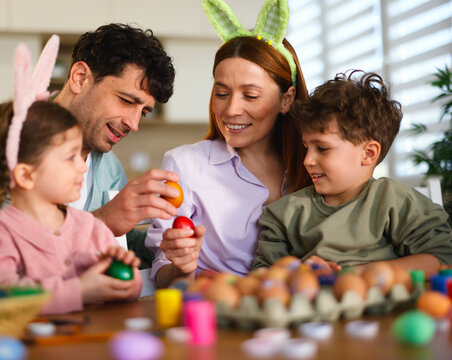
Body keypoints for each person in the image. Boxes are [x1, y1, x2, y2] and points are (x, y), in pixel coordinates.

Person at [0, 23, 177, 289]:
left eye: (143, 111)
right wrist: (104, 220)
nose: (134, 123)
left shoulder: (109, 167)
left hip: (78, 322)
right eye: (126, 101)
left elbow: (117, 243)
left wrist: (165, 247)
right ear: (80, 78)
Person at [145, 0, 311, 288]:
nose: (231, 109)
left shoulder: (313, 166)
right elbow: (163, 273)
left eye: (250, 95)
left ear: (287, 99)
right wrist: (183, 268)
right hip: (222, 319)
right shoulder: (185, 165)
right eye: (222, 93)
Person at [252, 70, 452, 277]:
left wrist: (352, 273)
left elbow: (442, 259)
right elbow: (262, 277)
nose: (307, 160)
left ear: (368, 153)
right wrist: (299, 273)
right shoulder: (284, 214)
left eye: (322, 148)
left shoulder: (395, 201)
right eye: (306, 148)